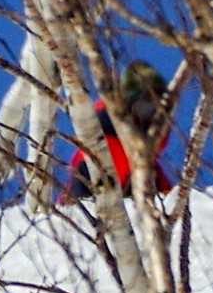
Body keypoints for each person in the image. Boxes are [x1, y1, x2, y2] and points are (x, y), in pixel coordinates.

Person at [57, 60, 174, 205]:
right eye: (146, 103)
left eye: (159, 106)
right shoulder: (103, 146)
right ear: (127, 105)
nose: (152, 113)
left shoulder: (151, 165)